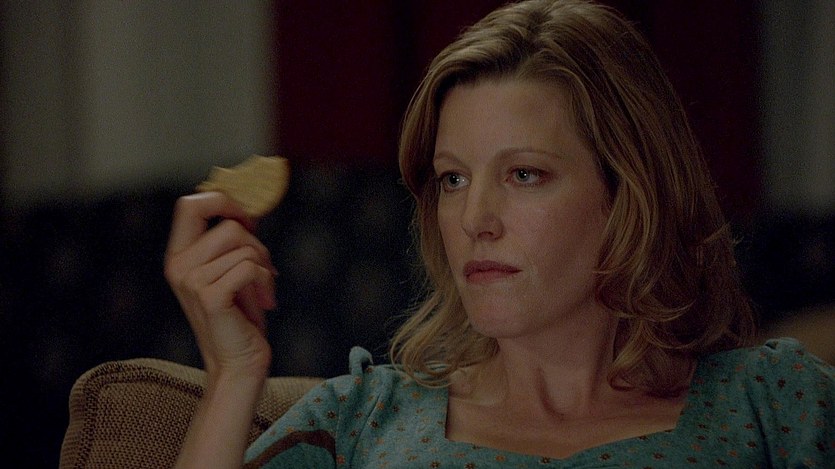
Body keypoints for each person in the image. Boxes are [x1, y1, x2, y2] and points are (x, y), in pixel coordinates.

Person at [164, 0, 834, 467]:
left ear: (629, 193)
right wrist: (233, 374)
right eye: (452, 179)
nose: (473, 219)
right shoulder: (362, 416)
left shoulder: (774, 403)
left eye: (523, 174)